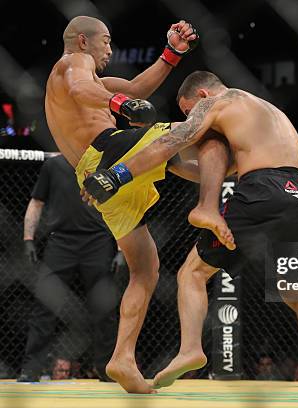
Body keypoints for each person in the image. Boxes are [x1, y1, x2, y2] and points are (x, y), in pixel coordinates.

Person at [82, 71, 298, 394]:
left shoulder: (219, 101)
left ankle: (190, 349)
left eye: (187, 110)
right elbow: (213, 170)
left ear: (200, 96)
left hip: (263, 188)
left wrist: (118, 175)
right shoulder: (264, 111)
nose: (190, 117)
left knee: (192, 273)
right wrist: (166, 166)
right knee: (295, 291)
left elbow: (175, 139)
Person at [44, 15, 199, 394]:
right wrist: (120, 104)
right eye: (106, 43)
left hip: (100, 171)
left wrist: (172, 54)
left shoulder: (93, 80)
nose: (110, 51)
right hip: (106, 156)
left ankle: (123, 359)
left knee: (146, 269)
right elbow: (85, 89)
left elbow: (134, 87)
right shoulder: (71, 65)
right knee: (194, 126)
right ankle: (237, 170)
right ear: (83, 41)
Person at [18, 155, 118, 383]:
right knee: (45, 305)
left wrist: (121, 248)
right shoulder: (54, 164)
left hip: (98, 240)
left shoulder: (105, 164)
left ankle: (106, 368)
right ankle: (31, 369)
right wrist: (28, 238)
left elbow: (121, 205)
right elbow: (36, 201)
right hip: (60, 241)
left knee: (104, 307)